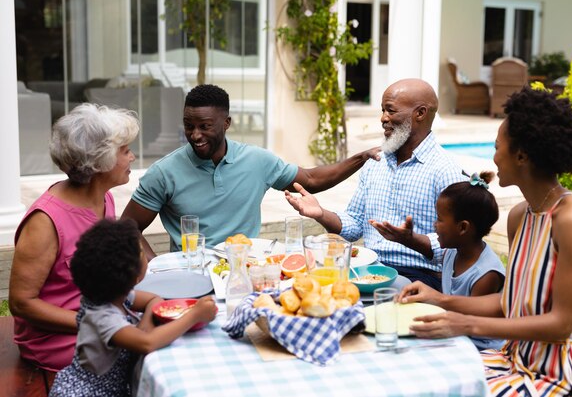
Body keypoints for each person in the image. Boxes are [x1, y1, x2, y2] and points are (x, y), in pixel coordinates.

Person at [398, 87, 572, 396]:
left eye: (497, 147)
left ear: (521, 155)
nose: (493, 157)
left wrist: (465, 324)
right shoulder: (520, 216)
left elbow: (561, 324)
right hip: (512, 359)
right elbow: (510, 302)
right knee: (419, 377)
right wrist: (439, 299)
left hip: (557, 375)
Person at [121, 84, 380, 259]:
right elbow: (128, 228)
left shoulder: (256, 160)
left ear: (227, 123)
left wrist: (362, 157)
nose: (195, 135)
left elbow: (311, 179)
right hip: (193, 277)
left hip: (247, 271)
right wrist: (156, 270)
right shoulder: (163, 172)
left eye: (205, 126)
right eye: (189, 126)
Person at [285, 78, 466, 290]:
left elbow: (458, 245)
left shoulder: (445, 170)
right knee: (308, 287)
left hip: (419, 277)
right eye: (382, 110)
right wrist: (320, 213)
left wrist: (411, 240)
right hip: (368, 269)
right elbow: (354, 225)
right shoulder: (376, 163)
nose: (383, 118)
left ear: (420, 113)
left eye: (391, 111)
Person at [9, 104, 139, 373]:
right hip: (60, 339)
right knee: (146, 354)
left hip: (101, 320)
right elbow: (21, 303)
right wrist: (97, 321)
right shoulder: (45, 221)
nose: (133, 157)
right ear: (100, 161)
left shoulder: (105, 198)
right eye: (125, 151)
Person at [49, 219, 217, 396]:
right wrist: (194, 315)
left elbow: (154, 299)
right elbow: (148, 343)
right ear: (135, 275)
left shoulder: (114, 294)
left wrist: (143, 327)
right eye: (142, 253)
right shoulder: (103, 318)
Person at [370, 171, 505, 350]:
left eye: (440, 219)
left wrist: (433, 300)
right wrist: (406, 238)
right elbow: (429, 249)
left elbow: (470, 321)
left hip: (477, 347)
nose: (434, 224)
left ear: (463, 227)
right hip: (453, 332)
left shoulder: (486, 274)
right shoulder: (453, 251)